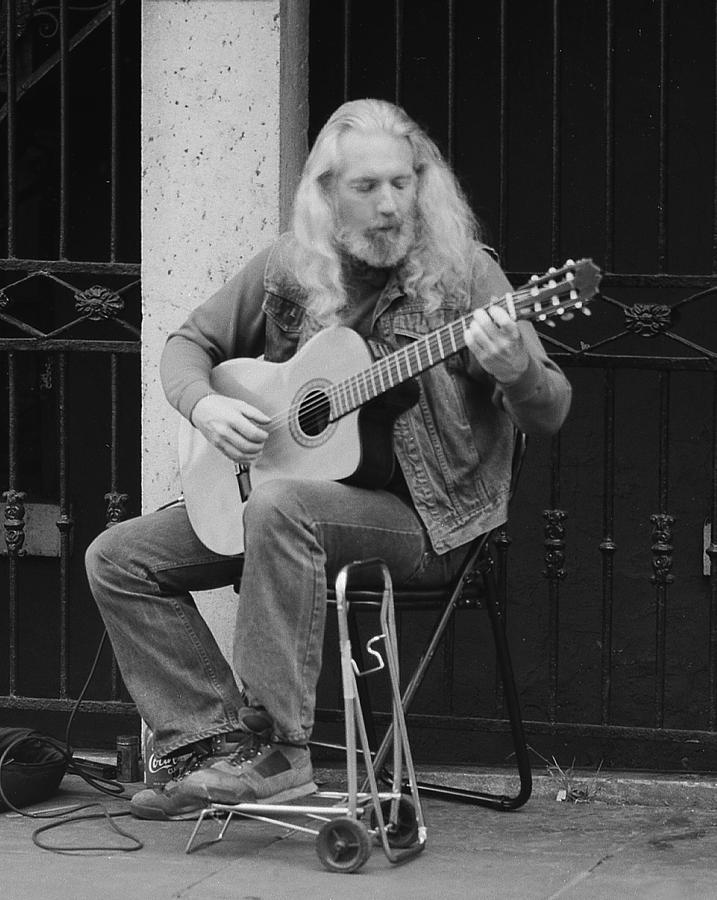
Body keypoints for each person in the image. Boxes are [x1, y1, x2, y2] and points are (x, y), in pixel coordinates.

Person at [85, 98, 572, 821]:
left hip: (425, 524)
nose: (388, 205)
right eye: (365, 187)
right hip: (296, 506)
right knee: (119, 557)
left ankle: (278, 752)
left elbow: (551, 408)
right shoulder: (289, 270)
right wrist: (207, 406)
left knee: (282, 507)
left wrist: (515, 372)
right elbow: (187, 346)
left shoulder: (464, 279)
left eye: (402, 184)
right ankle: (211, 750)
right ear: (324, 193)